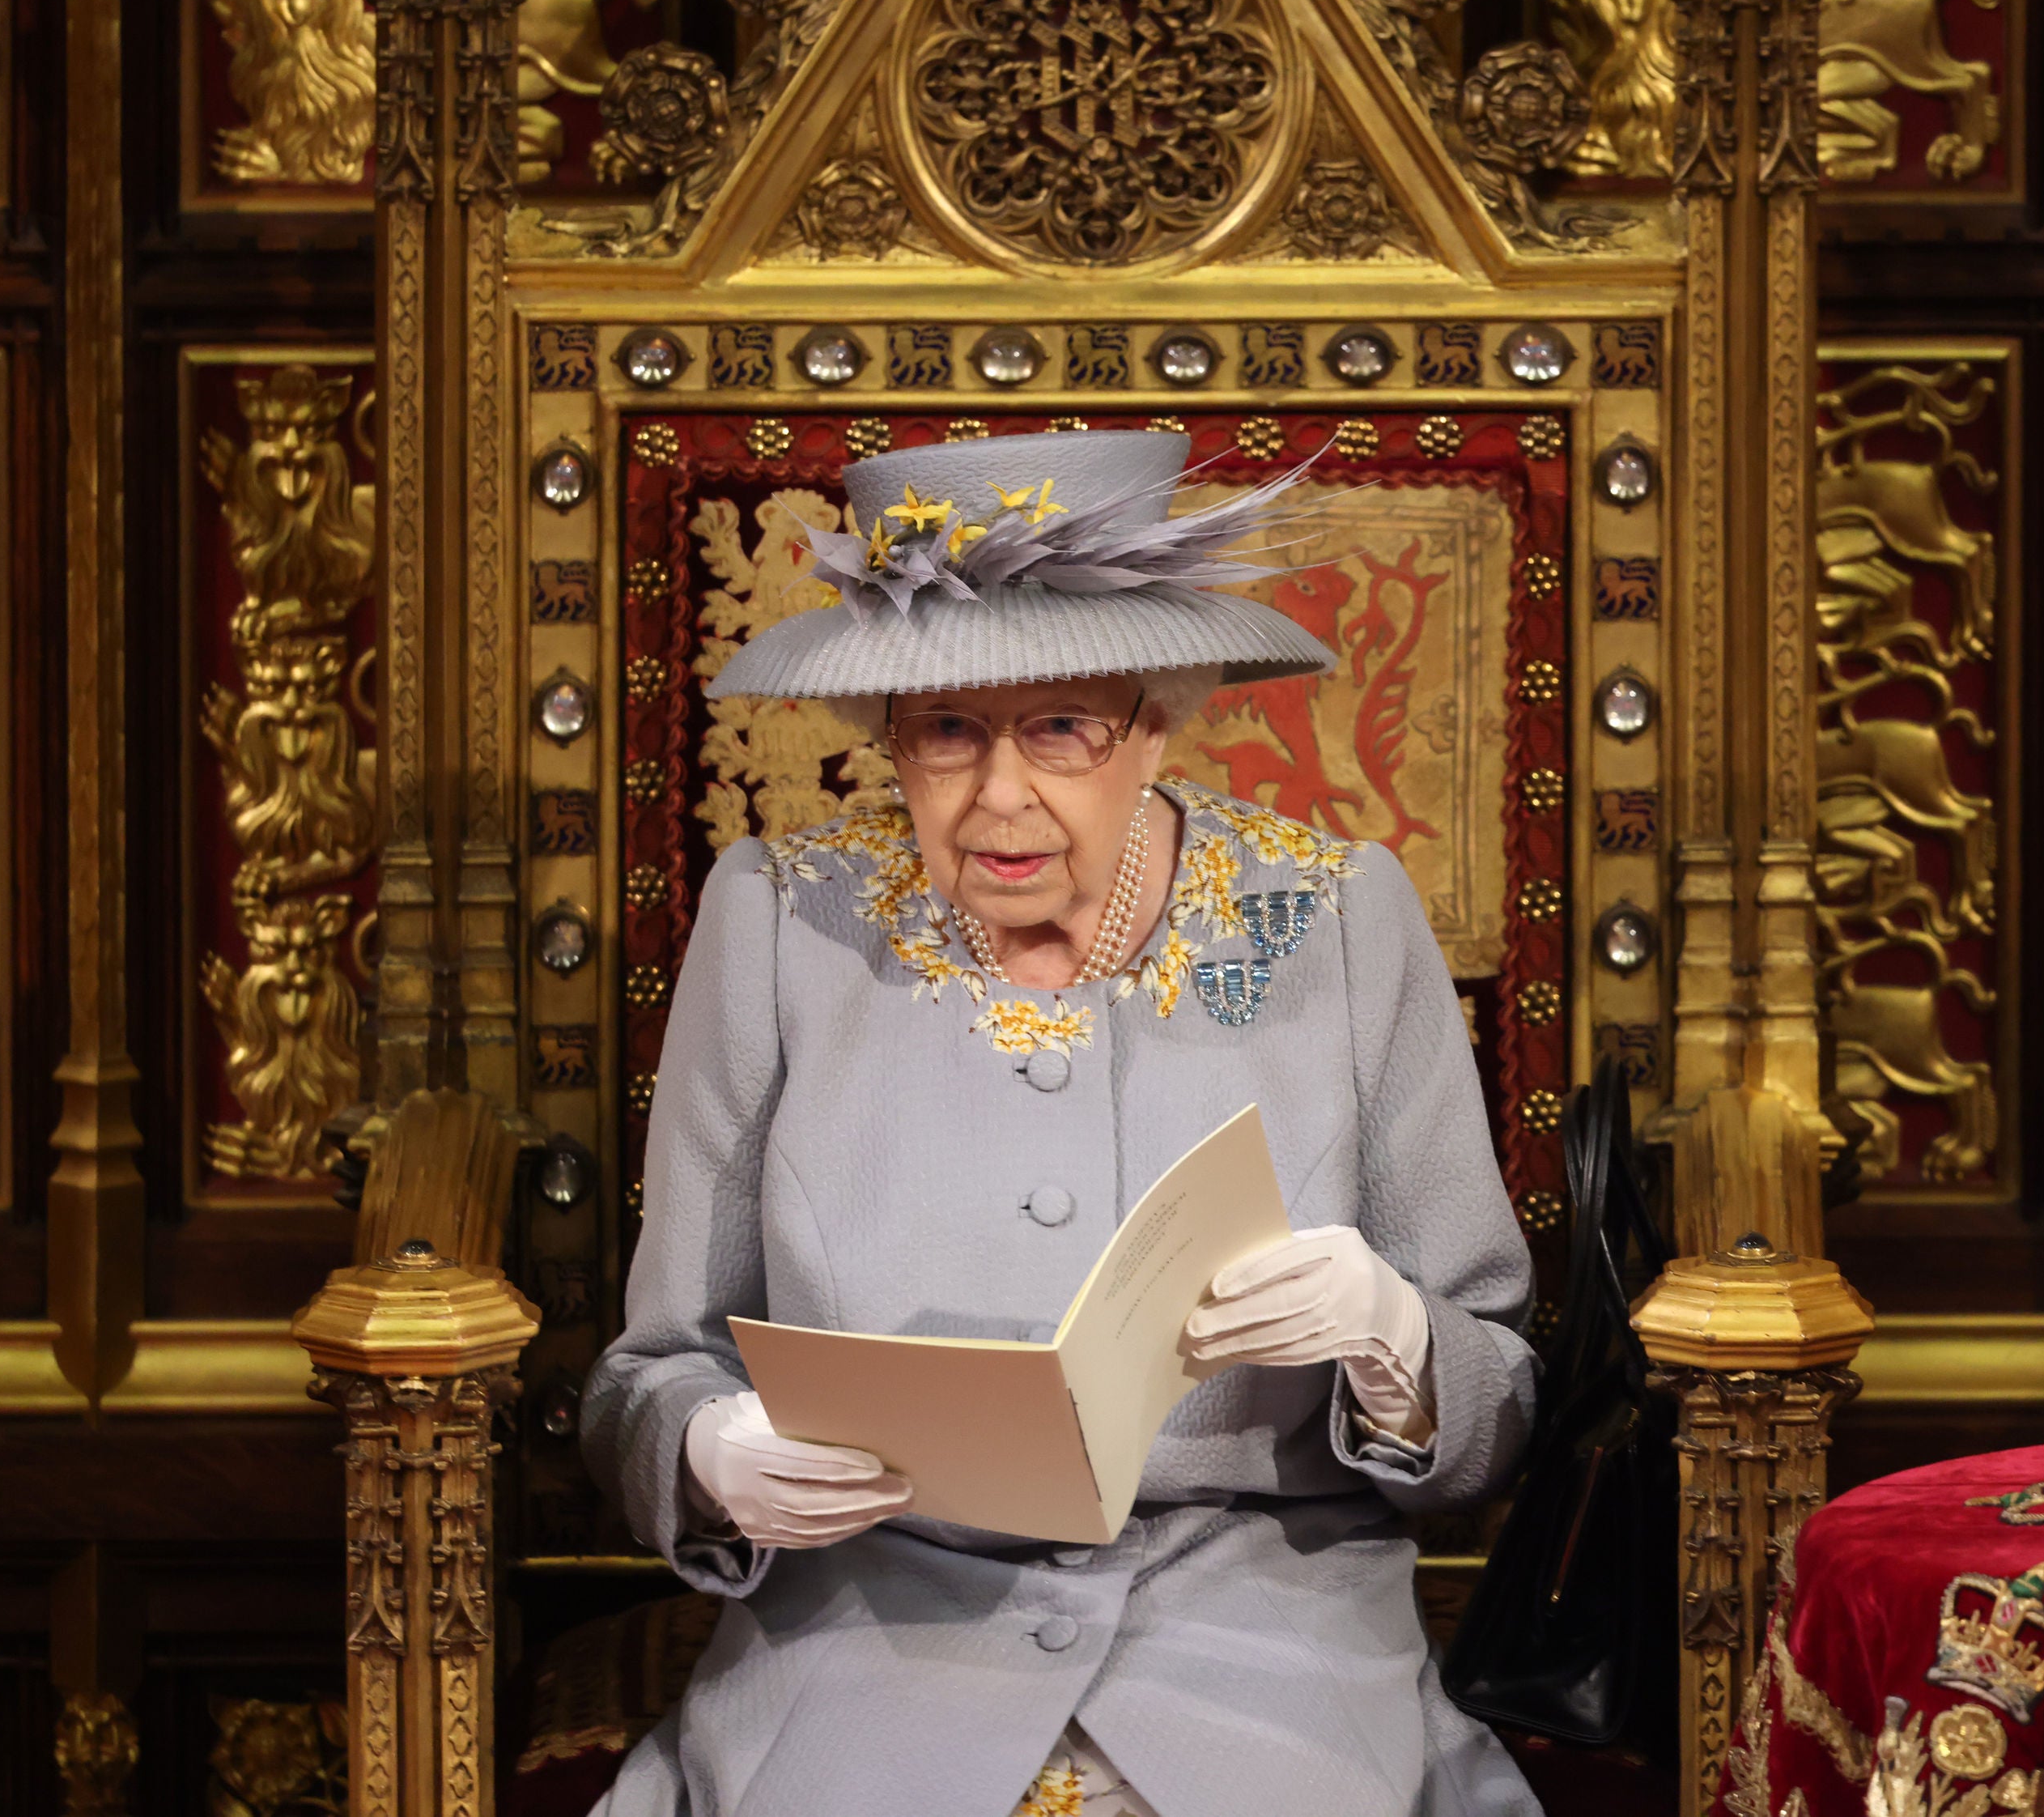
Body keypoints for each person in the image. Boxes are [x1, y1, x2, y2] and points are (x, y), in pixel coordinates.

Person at [582, 429, 1540, 1817]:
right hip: (871, 1643)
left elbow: (1498, 1402)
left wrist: (1396, 1340)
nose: (1001, 795)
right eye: (948, 733)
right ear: (888, 735)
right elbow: (647, 1372)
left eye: (1061, 728)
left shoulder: (1328, 915)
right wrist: (707, 1456)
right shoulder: (786, 921)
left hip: (1262, 1646)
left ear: (1154, 719)